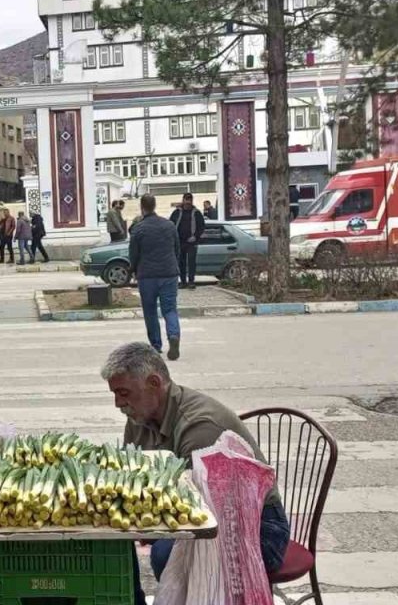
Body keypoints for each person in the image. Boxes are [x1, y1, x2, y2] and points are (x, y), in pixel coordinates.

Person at [100, 343, 290, 605]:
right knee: (110, 541)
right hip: (203, 519)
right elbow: (131, 479)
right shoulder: (138, 420)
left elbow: (196, 516)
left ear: (154, 382)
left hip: (257, 529)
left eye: (123, 393)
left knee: (164, 553)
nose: (118, 403)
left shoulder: (200, 427)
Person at [129, 194, 183, 360]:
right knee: (170, 309)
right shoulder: (169, 225)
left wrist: (133, 270)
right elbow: (177, 248)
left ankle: (155, 345)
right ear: (155, 206)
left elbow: (133, 254)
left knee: (150, 311)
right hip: (169, 273)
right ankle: (173, 336)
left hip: (147, 276)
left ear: (142, 207)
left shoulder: (139, 229)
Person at [169, 193, 207, 290]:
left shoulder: (196, 213)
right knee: (180, 262)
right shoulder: (177, 212)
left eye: (189, 201)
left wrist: (195, 236)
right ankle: (182, 282)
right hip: (179, 241)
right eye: (186, 200)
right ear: (183, 200)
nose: (187, 203)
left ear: (192, 201)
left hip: (192, 242)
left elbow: (201, 227)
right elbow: (170, 225)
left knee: (191, 262)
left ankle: (191, 281)